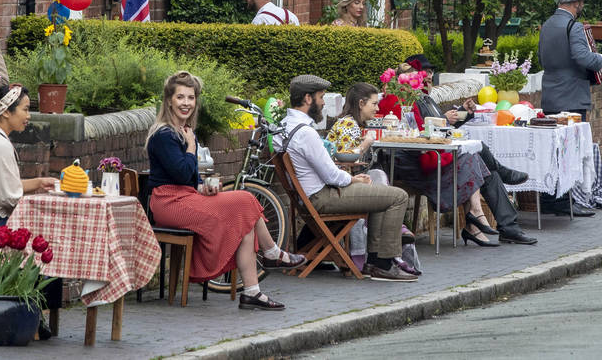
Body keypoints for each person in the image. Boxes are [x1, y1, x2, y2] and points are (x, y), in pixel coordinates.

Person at [146, 71, 304, 310]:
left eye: (191, 97)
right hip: (168, 203)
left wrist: (202, 187)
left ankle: (252, 292)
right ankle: (272, 253)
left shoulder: (185, 131)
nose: (186, 103)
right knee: (245, 199)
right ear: (169, 100)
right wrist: (190, 147)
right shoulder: (164, 135)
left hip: (186, 197)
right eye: (180, 97)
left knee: (245, 219)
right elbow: (179, 173)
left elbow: (189, 177)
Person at [378, 64, 538, 246]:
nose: (426, 81)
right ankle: (484, 223)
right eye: (420, 79)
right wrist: (447, 119)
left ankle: (501, 226)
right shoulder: (406, 102)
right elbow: (427, 130)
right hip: (421, 161)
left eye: (428, 77)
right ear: (404, 82)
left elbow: (441, 127)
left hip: (437, 153)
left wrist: (464, 112)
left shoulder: (425, 100)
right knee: (478, 158)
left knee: (481, 161)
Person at [281, 75, 419, 281]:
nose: (322, 103)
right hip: (323, 196)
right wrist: (353, 180)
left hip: (310, 197)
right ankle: (381, 263)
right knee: (397, 196)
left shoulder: (285, 125)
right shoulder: (306, 133)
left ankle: (376, 261)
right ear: (308, 99)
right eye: (321, 98)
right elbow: (331, 175)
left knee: (382, 194)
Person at [539, 0, 602, 215]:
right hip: (572, 98)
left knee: (552, 152)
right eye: (581, 2)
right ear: (575, 3)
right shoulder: (574, 27)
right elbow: (582, 58)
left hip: (551, 96)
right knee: (571, 153)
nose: (582, 6)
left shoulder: (548, 25)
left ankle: (549, 201)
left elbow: (542, 58)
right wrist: (599, 59)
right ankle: (568, 202)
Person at [0, 84, 59, 247]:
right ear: (6, 111)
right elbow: (8, 197)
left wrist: (39, 182)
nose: (28, 116)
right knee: (47, 239)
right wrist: (39, 207)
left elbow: (6, 187)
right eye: (25, 109)